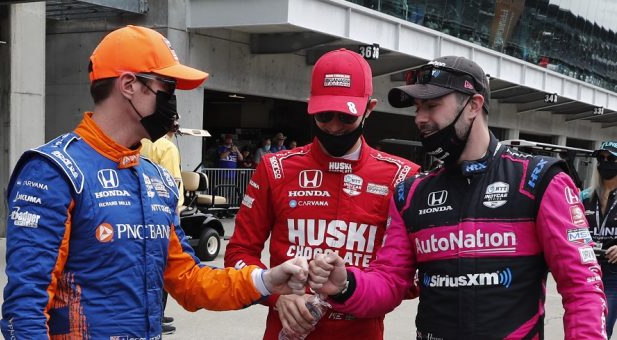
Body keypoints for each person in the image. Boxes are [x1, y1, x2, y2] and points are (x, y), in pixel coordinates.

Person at [0, 25, 309, 339]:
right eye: (167, 88)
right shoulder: (54, 171)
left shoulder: (155, 178)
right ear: (129, 85)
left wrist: (266, 280)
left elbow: (189, 281)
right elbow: (25, 310)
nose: (173, 103)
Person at [308, 56, 607, 339]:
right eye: (417, 108)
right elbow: (389, 281)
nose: (420, 119)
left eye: (432, 106)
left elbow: (583, 289)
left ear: (474, 104)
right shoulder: (411, 193)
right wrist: (345, 283)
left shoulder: (539, 180)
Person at [224, 48, 420, 340]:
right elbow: (238, 254)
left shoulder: (402, 177)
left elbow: (408, 280)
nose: (334, 127)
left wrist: (349, 288)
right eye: (324, 115)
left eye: (346, 116)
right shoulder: (275, 168)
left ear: (369, 108)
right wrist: (276, 295)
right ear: (310, 107)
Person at [140, 121, 183, 335]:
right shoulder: (168, 147)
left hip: (145, 208)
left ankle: (155, 313)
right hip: (166, 211)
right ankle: (157, 317)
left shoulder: (144, 142)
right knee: (163, 266)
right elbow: (171, 183)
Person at [583, 140, 617, 338]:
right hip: (587, 271)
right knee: (585, 325)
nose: (605, 162)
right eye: (601, 158)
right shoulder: (584, 196)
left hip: (613, 275)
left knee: (603, 327)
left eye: (611, 158)